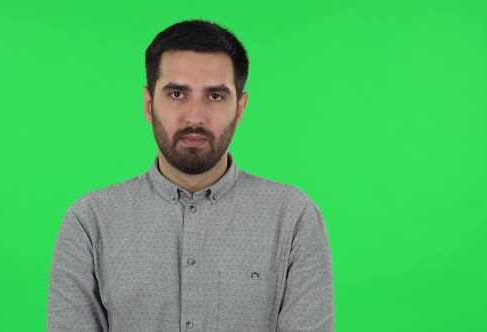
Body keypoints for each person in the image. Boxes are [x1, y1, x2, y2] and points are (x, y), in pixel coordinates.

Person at [47, 19, 334, 332]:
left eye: (215, 96)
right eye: (176, 94)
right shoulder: (89, 222)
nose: (195, 117)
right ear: (148, 104)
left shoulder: (293, 218)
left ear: (240, 108)